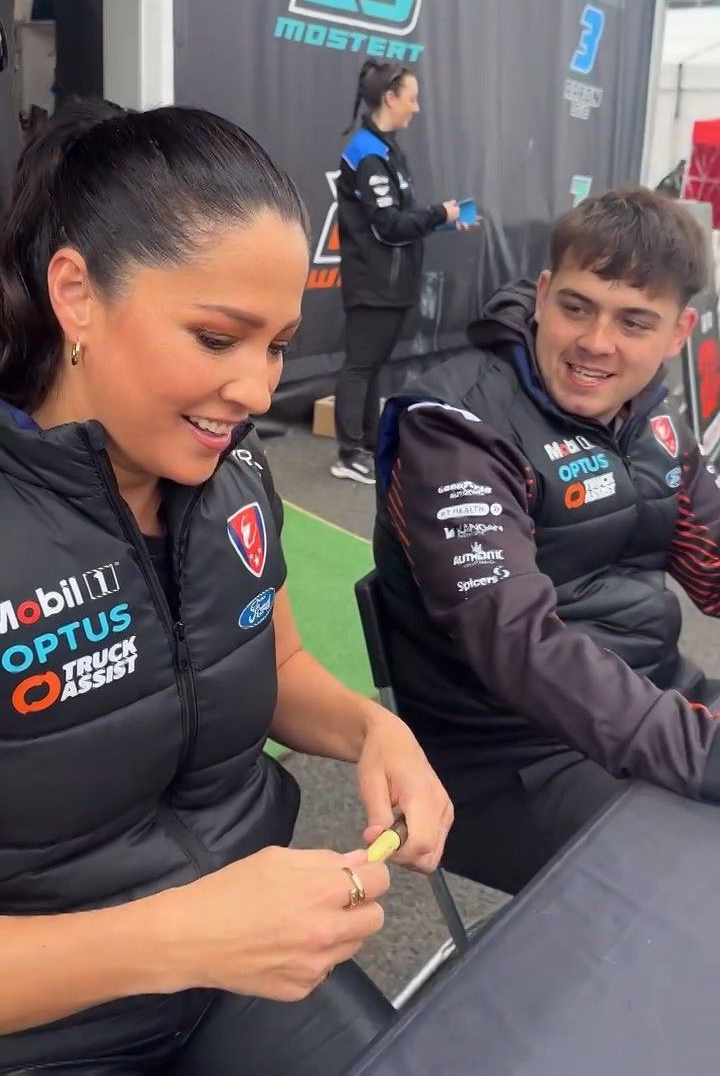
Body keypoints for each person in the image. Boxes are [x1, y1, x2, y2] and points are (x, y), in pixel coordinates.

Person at [0, 99, 453, 1074]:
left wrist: (375, 730)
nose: (256, 390)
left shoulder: (235, 476)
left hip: (248, 973)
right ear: (76, 295)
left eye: (277, 344)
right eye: (216, 338)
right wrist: (180, 936)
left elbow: (274, 662)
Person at [373, 187, 720, 896]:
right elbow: (518, 646)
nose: (596, 342)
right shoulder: (456, 427)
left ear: (679, 333)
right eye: (577, 307)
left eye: (634, 321)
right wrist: (700, 750)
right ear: (541, 295)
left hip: (651, 701)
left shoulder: (651, 417)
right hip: (503, 754)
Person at [331, 60, 462, 486]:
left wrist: (444, 221)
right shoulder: (366, 152)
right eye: (412, 98)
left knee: (372, 367)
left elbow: (403, 216)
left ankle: (368, 444)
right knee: (360, 366)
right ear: (390, 98)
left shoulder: (385, 149)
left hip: (392, 281)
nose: (416, 107)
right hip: (373, 281)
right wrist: (437, 213)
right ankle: (348, 453)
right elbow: (387, 225)